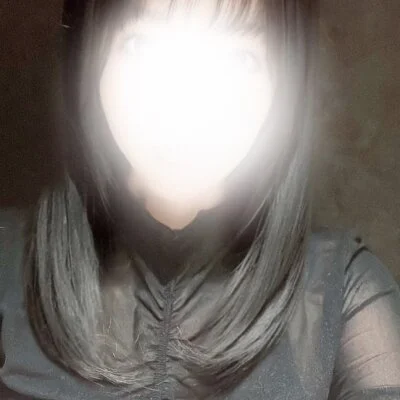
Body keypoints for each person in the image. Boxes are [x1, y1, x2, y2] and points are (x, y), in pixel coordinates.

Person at [0, 0, 399, 399]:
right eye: (141, 44)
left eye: (240, 58)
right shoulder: (8, 261)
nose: (182, 95)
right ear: (90, 59)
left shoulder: (346, 295)